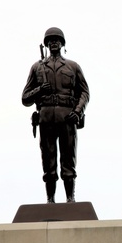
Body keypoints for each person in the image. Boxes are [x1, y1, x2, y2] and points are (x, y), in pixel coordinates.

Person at [21, 27, 90, 203]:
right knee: (48, 161)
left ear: (62, 43)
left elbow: (84, 92)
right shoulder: (37, 67)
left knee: (68, 160)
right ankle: (50, 199)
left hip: (67, 118)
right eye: (50, 40)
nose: (53, 42)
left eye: (56, 40)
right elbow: (25, 98)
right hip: (46, 118)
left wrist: (78, 111)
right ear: (46, 44)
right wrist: (39, 90)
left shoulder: (72, 66)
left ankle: (70, 198)